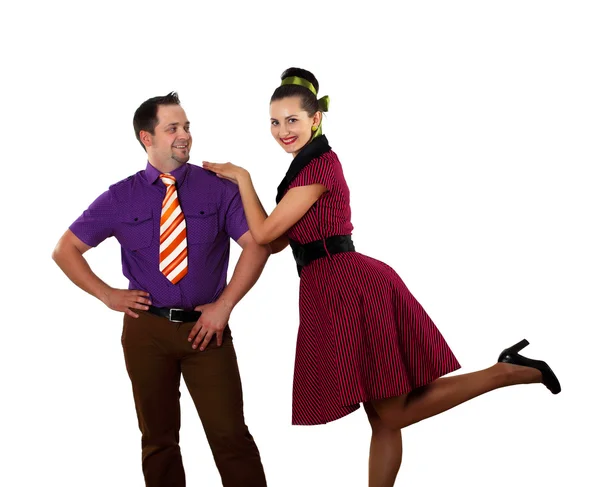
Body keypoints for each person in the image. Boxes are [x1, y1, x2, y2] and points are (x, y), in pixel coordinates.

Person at [202, 68, 561, 487]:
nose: (282, 130)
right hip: (328, 288)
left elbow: (263, 233)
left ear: (315, 119)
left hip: (349, 286)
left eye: (292, 120)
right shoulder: (299, 171)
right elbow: (278, 241)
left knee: (392, 412)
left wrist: (241, 178)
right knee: (384, 419)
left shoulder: (319, 164)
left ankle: (505, 372)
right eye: (275, 122)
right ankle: (506, 370)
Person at [52, 92, 270, 487]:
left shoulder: (217, 188)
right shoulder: (120, 196)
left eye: (186, 127)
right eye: (173, 128)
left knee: (230, 437)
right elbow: (65, 249)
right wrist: (107, 294)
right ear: (146, 138)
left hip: (207, 329)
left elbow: (258, 244)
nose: (184, 135)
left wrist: (225, 305)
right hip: (146, 331)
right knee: (158, 441)